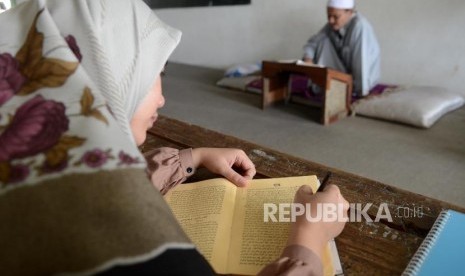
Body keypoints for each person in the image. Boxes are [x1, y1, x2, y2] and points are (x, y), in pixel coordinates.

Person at [0, 0, 348, 275]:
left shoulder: (34, 161)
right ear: (105, 69)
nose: (163, 98)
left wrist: (191, 158)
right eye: (155, 71)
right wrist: (308, 240)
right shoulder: (100, 230)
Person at [303, 0, 380, 97]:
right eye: (328, 16)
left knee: (359, 63)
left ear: (350, 12)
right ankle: (324, 87)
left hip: (363, 79)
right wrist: (308, 59)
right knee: (322, 42)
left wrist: (362, 93)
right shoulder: (332, 25)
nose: (331, 20)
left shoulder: (359, 26)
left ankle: (357, 90)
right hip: (346, 74)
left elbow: (361, 63)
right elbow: (314, 42)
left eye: (335, 17)